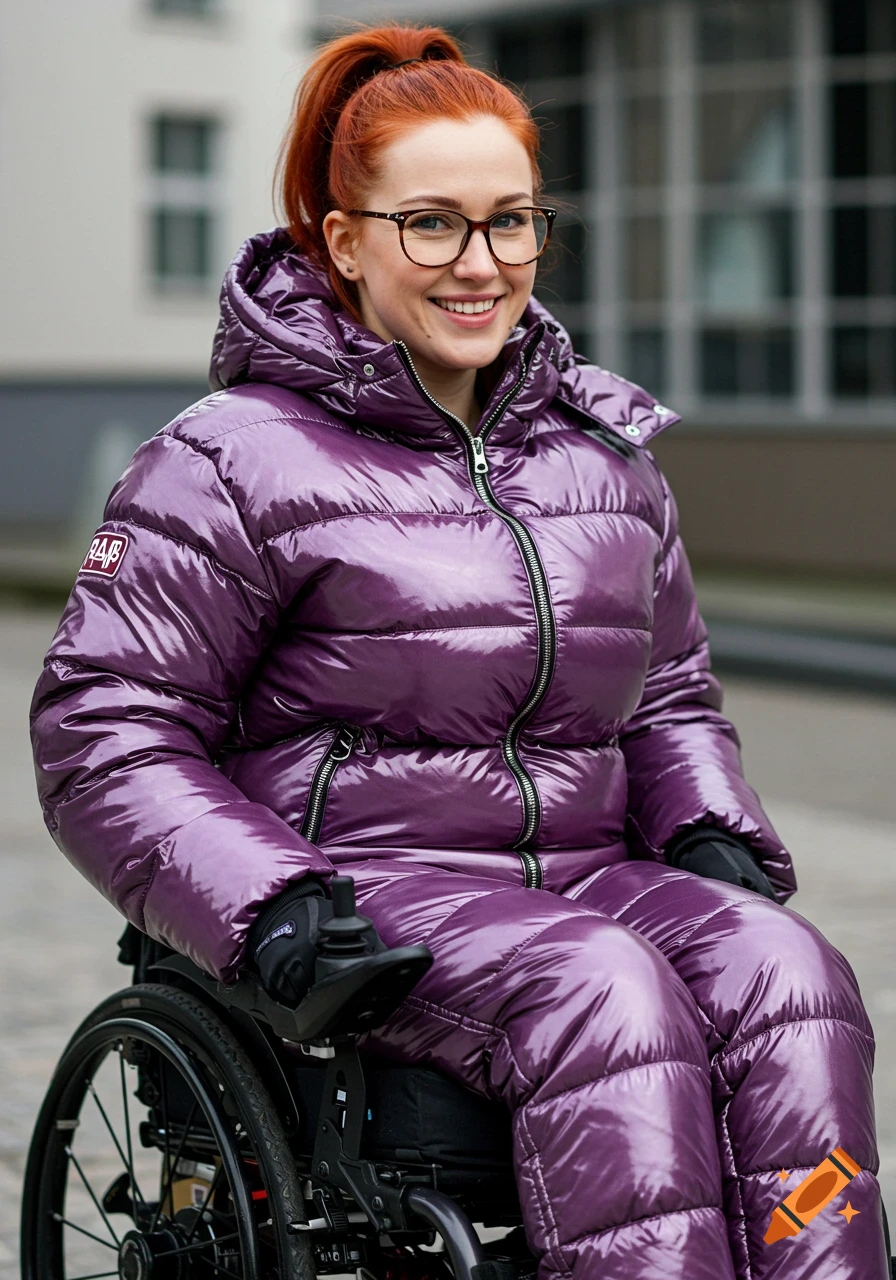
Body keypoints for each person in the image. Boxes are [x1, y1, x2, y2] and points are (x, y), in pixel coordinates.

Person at [31, 23, 885, 1280]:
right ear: (343, 240)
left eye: (512, 222)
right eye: (431, 224)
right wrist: (267, 899)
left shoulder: (601, 457)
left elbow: (666, 693)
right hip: (361, 887)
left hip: (584, 874)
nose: (479, 265)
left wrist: (706, 826)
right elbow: (104, 726)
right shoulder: (227, 459)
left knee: (785, 968)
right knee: (603, 987)